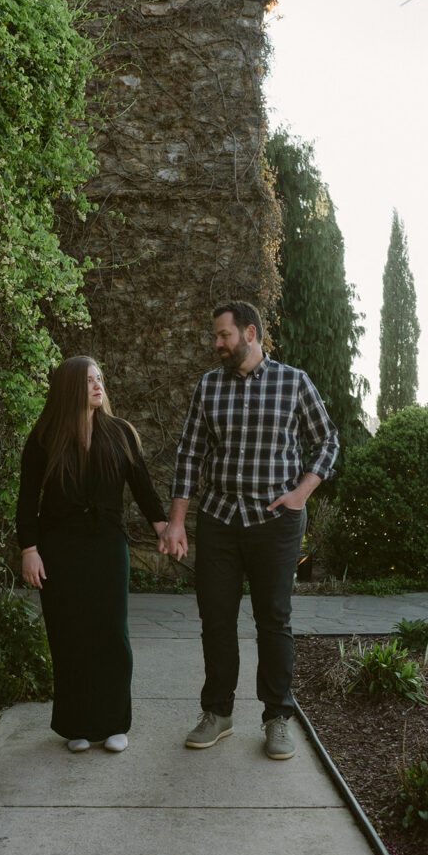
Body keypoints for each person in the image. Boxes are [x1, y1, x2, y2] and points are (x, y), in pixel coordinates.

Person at [159, 303, 338, 760]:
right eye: (215, 337)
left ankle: (278, 716)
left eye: (224, 335)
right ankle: (218, 713)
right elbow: (189, 456)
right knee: (215, 620)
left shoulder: (293, 381)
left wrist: (301, 493)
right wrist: (177, 521)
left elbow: (327, 441)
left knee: (273, 619)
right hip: (219, 520)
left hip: (275, 523)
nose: (216, 344)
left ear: (250, 333)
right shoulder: (208, 386)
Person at [17, 356, 167, 753]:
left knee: (110, 634)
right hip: (59, 549)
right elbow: (27, 500)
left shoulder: (120, 433)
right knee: (69, 634)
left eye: (100, 378)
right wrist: (29, 549)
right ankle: (77, 724)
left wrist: (164, 527)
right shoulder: (44, 438)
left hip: (106, 546)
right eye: (88, 381)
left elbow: (144, 489)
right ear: (69, 388)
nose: (98, 386)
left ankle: (115, 722)